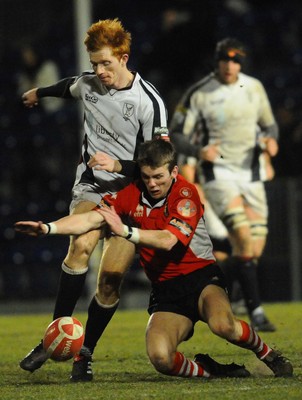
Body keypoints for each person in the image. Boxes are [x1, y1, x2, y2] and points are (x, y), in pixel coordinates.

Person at [15, 139, 293, 381]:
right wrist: (48, 228)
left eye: (158, 177)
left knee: (223, 326)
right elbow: (89, 219)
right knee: (161, 358)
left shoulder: (185, 195)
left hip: (202, 279)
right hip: (166, 291)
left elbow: (168, 240)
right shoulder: (132, 194)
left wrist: (125, 231)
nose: (152, 183)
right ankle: (211, 371)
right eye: (146, 177)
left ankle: (267, 354)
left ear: (173, 171)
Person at [19, 18, 169, 378]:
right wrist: (38, 93)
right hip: (92, 187)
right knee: (80, 247)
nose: (99, 71)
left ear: (124, 57)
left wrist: (118, 162)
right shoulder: (88, 84)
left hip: (134, 196)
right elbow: (66, 86)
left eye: (106, 63)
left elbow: (160, 163)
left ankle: (84, 353)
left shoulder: (149, 101)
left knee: (110, 281)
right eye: (94, 64)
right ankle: (53, 336)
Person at [169, 37, 279, 332]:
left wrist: (271, 140)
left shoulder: (254, 88)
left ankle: (214, 292)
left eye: (235, 60)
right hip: (218, 174)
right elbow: (177, 133)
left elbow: (270, 124)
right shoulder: (200, 93)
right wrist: (196, 152)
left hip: (251, 175)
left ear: (242, 63)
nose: (229, 66)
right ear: (215, 61)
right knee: (242, 238)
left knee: (252, 250)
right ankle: (256, 312)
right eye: (224, 60)